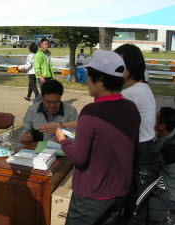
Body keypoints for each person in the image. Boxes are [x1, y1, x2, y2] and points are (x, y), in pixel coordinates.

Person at [56, 49, 141, 225]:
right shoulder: (131, 108)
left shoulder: (91, 112)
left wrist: (62, 139)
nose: (86, 81)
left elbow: (78, 158)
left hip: (91, 195)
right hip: (119, 191)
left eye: (88, 76)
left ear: (100, 81)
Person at [115, 44, 162, 225]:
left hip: (141, 157)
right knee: (137, 209)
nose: (116, 68)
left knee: (135, 212)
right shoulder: (143, 87)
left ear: (131, 65)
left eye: (120, 63)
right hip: (145, 152)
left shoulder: (129, 93)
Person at [149, 107, 175, 224]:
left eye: (155, 118)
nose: (151, 120)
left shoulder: (169, 149)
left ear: (162, 126)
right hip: (167, 189)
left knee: (138, 205)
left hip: (169, 198)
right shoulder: (167, 137)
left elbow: (148, 168)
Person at [33, 38, 54, 103]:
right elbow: (37, 67)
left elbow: (49, 65)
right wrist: (41, 76)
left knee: (48, 92)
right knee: (45, 92)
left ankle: (44, 106)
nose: (47, 45)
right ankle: (34, 103)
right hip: (41, 77)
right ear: (41, 45)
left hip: (48, 76)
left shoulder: (48, 53)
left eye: (47, 44)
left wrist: (51, 76)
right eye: (45, 44)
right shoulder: (38, 55)